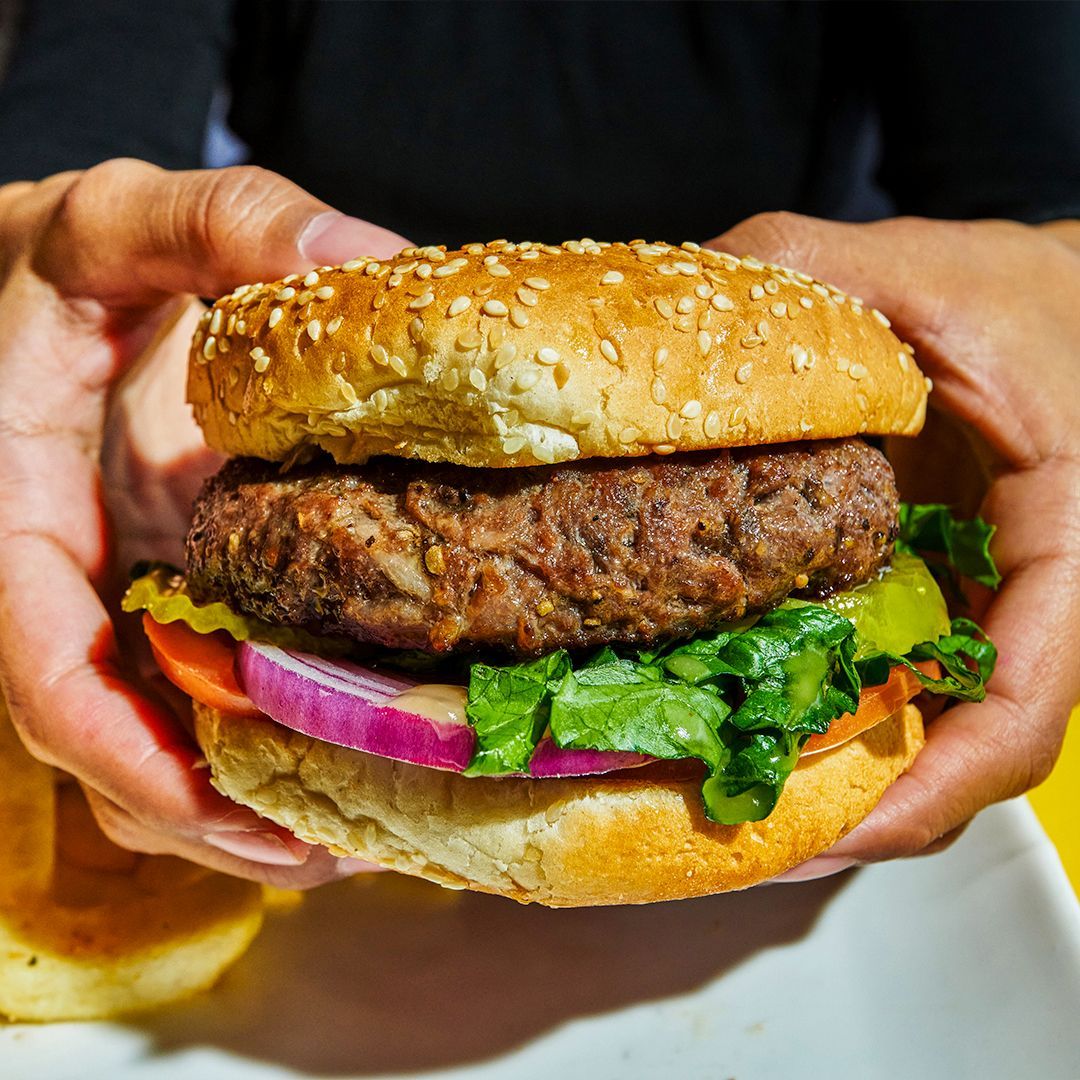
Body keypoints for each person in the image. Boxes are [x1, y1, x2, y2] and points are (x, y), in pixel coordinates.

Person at [0, 1, 1077, 889]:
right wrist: (43, 252)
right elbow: (73, 131)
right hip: (294, 405)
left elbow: (1042, 179)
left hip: (809, 389)